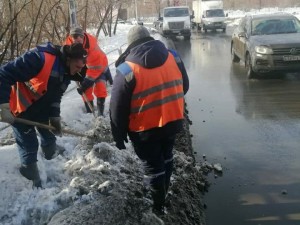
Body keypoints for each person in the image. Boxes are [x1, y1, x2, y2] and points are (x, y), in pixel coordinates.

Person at [110, 25, 189, 215]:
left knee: (153, 167)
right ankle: (165, 191)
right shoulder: (173, 56)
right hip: (172, 120)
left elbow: (117, 108)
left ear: (130, 46)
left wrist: (118, 136)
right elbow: (184, 86)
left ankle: (158, 205)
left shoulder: (126, 69)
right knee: (167, 156)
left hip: (144, 130)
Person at [0, 42, 87, 188]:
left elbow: (56, 96)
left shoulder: (67, 72)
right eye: (77, 67)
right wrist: (3, 106)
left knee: (47, 130)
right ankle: (29, 173)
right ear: (69, 59)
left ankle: (50, 151)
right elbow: (4, 74)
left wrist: (54, 117)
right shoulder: (39, 58)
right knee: (29, 142)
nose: (76, 72)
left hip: (40, 106)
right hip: (21, 108)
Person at [65, 26, 113, 116]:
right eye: (75, 36)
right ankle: (89, 113)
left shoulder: (92, 45)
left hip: (100, 65)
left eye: (80, 36)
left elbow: (95, 68)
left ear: (83, 36)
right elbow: (66, 57)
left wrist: (86, 83)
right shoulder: (68, 43)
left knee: (100, 87)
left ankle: (100, 114)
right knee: (86, 91)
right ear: (71, 37)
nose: (78, 38)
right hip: (84, 65)